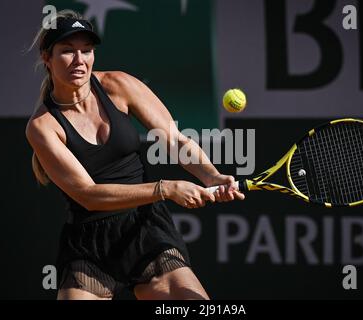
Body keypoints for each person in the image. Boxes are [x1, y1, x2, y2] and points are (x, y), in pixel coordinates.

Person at [25, 9, 244, 300]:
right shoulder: (42, 126)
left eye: (86, 51)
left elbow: (175, 139)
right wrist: (165, 188)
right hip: (89, 245)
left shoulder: (119, 85)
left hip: (145, 229)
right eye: (67, 51)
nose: (79, 61)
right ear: (46, 58)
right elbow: (88, 194)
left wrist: (212, 176)